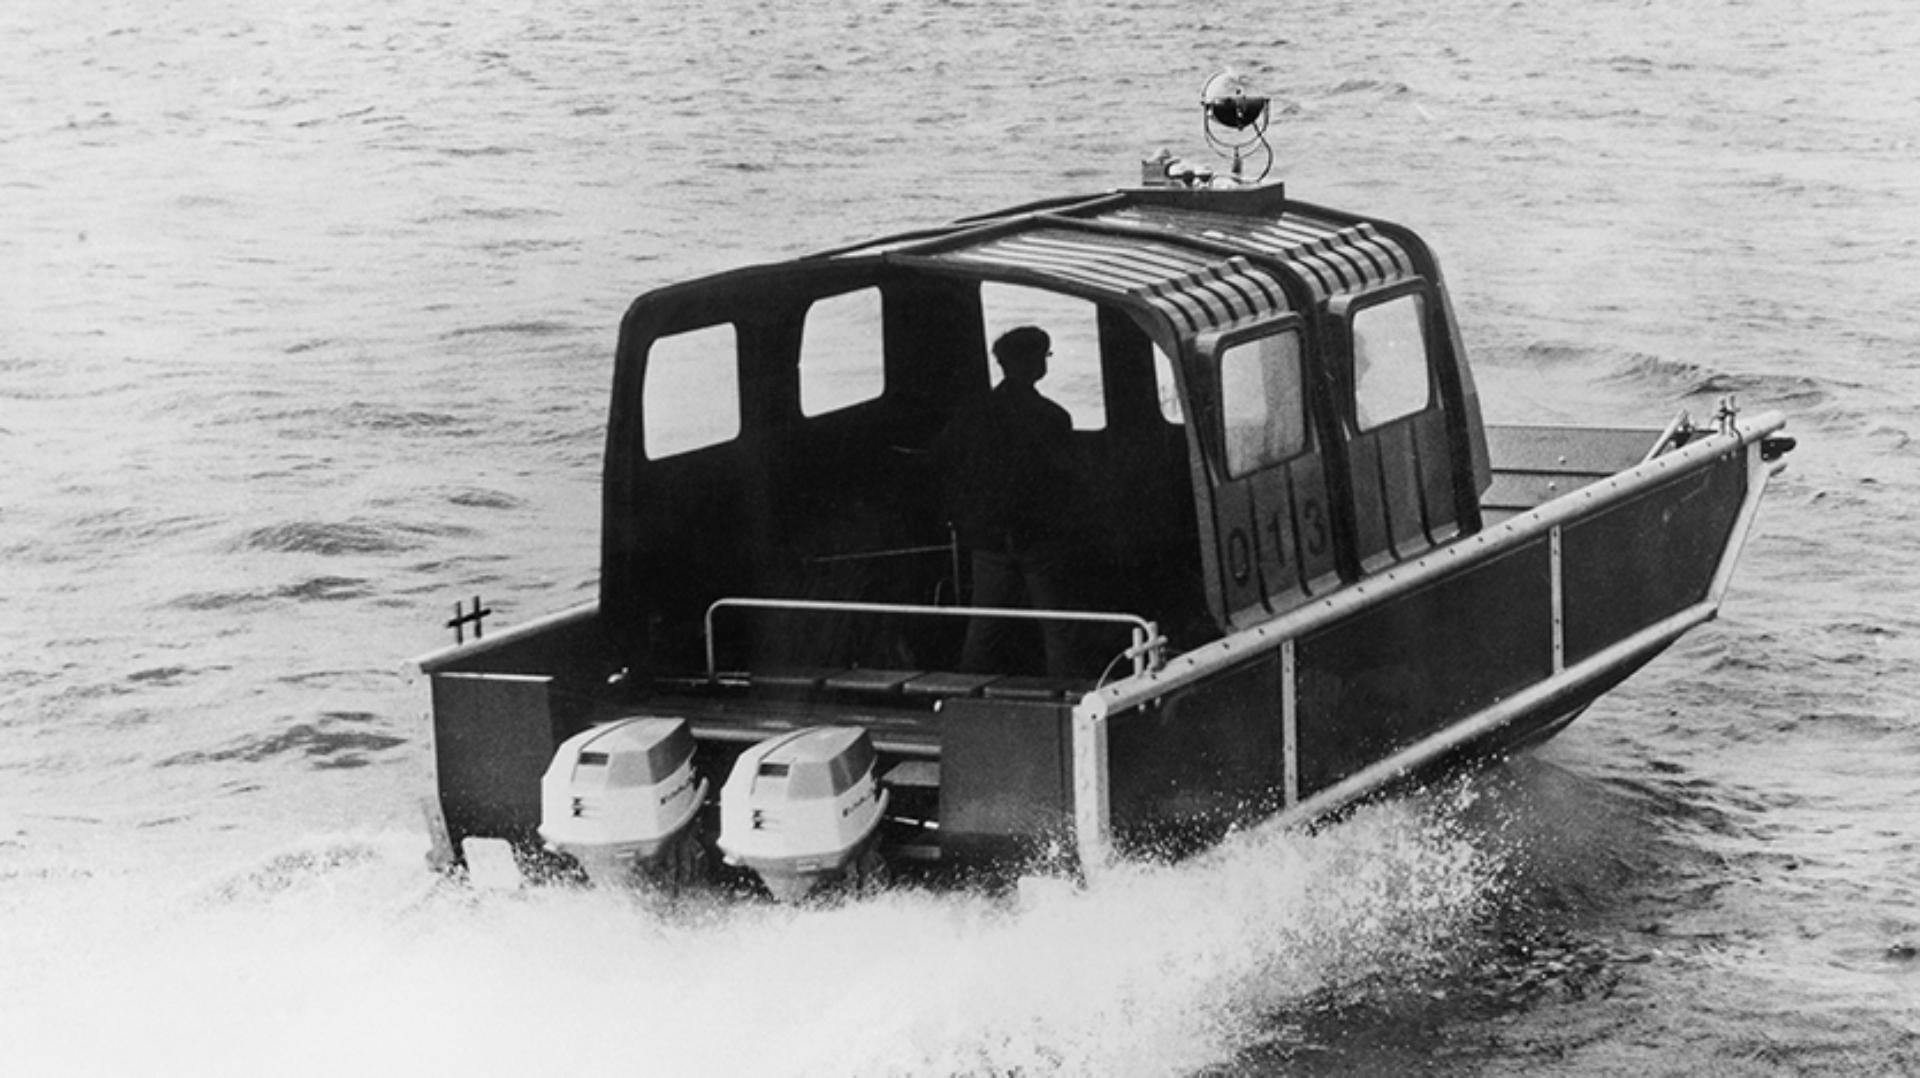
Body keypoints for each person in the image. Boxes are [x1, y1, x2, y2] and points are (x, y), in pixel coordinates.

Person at [933, 326, 1082, 676]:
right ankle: (1066, 699)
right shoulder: (1053, 417)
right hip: (1039, 537)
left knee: (984, 627)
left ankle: (967, 697)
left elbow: (943, 458)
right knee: (1059, 627)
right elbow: (1066, 480)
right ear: (1033, 364)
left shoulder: (972, 412)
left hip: (987, 537)